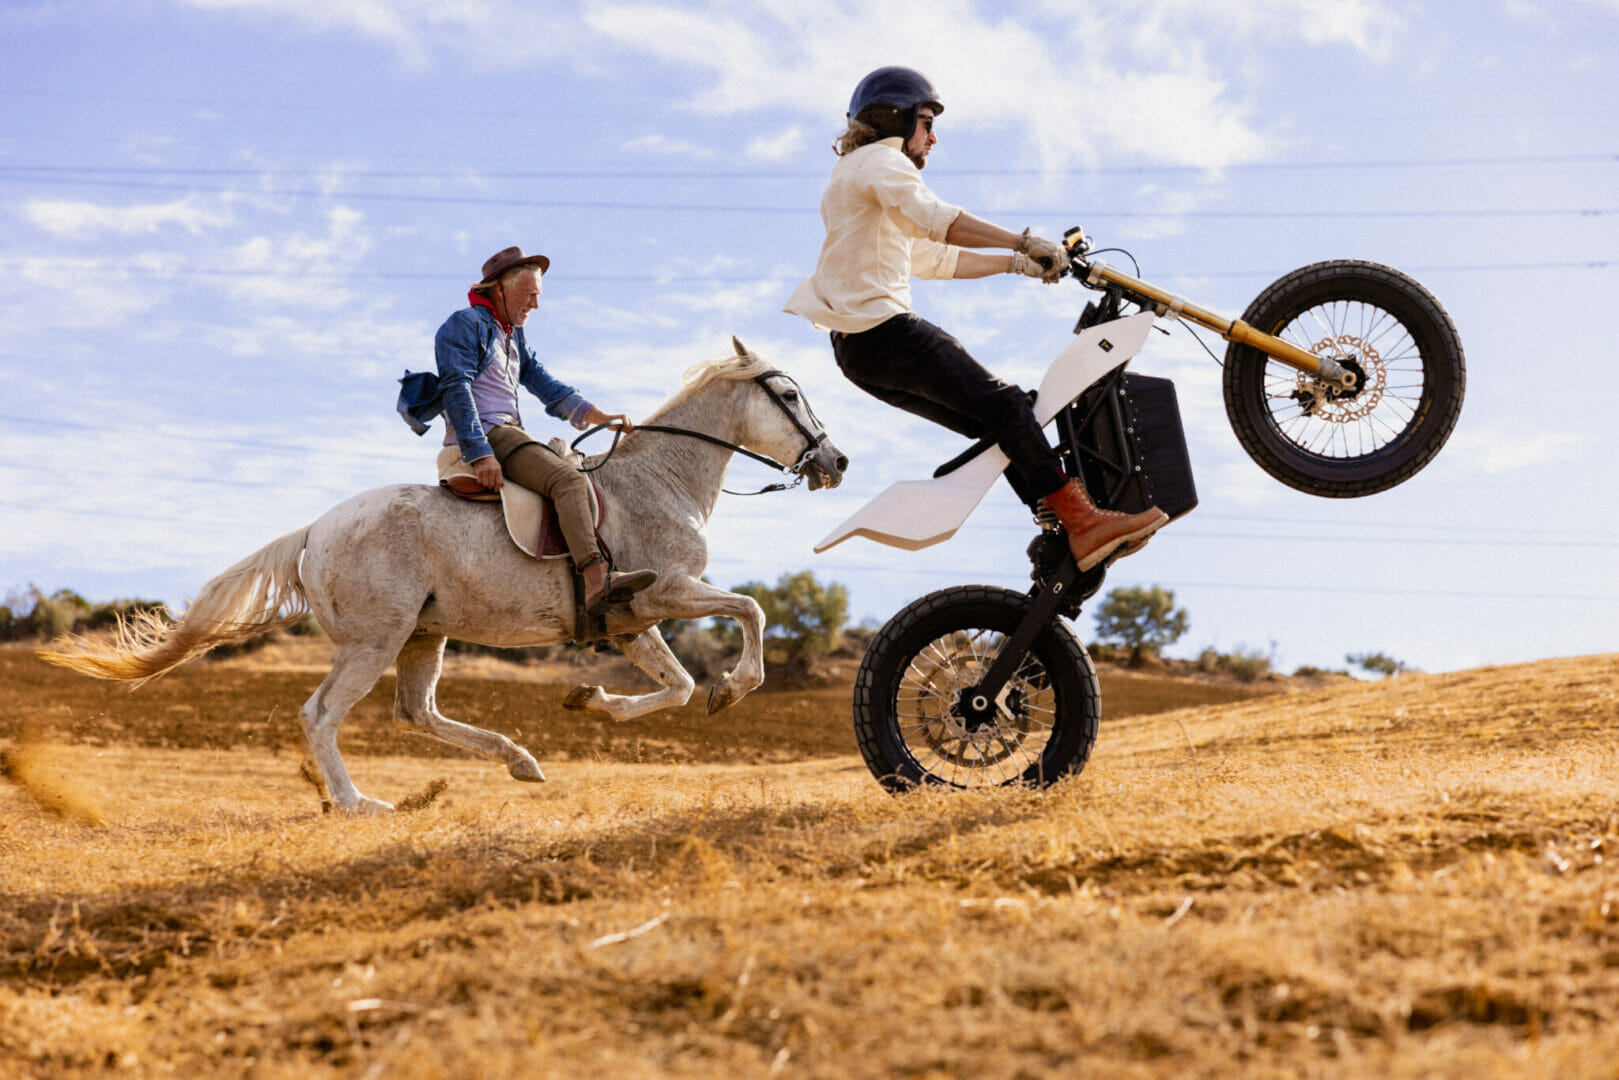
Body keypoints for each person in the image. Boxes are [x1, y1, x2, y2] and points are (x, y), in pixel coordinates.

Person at [784, 66, 1167, 572]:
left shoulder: (857, 179)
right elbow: (939, 219)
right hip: (883, 333)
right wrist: (1023, 241)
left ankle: (1059, 527)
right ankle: (1083, 522)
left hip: (859, 351)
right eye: (926, 122)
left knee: (1002, 423)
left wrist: (1015, 264)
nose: (933, 137)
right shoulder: (879, 160)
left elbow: (935, 258)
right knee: (1008, 404)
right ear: (894, 120)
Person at [427, 246, 655, 613]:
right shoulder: (465, 325)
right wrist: (480, 452)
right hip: (491, 435)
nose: (536, 304)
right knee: (568, 481)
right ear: (499, 289)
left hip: (509, 434)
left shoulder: (513, 337)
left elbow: (546, 386)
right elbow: (456, 388)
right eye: (530, 294)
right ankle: (597, 578)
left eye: (538, 295)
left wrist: (601, 417)